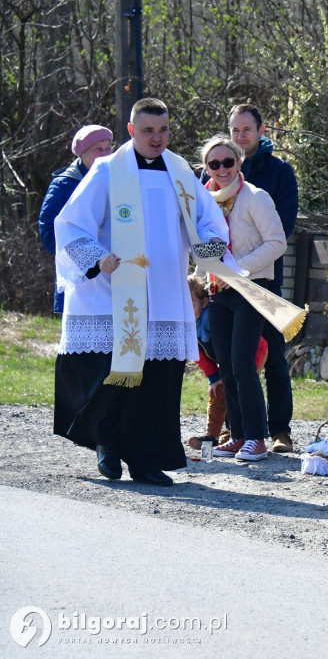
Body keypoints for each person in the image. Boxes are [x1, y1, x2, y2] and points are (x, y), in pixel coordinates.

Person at [52, 98, 229, 486]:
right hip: (114, 290)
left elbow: (209, 221)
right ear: (132, 131)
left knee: (157, 381)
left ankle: (147, 460)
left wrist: (210, 245)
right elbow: (71, 223)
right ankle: (108, 446)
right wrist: (97, 259)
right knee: (115, 376)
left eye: (163, 130)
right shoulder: (107, 170)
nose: (157, 138)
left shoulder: (181, 171)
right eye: (148, 130)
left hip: (164, 292)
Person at [200, 136, 287, 462]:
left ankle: (257, 438)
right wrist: (200, 278)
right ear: (206, 167)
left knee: (243, 362)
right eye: (214, 164)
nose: (221, 169)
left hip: (251, 288)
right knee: (226, 366)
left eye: (228, 162)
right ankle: (237, 435)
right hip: (217, 291)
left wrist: (238, 266)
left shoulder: (255, 197)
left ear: (239, 163)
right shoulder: (204, 201)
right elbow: (203, 246)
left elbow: (277, 242)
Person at [227, 104, 298, 453]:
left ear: (261, 130)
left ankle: (280, 429)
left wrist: (245, 264)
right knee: (233, 357)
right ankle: (236, 428)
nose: (241, 137)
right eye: (235, 131)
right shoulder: (220, 167)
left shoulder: (280, 171)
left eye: (246, 130)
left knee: (273, 355)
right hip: (225, 283)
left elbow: (282, 227)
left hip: (264, 278)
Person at [186, 275, 268, 449]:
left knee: (241, 386)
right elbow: (198, 355)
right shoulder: (188, 326)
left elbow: (250, 345)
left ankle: (248, 435)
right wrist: (214, 377)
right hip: (225, 360)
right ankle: (214, 434)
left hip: (255, 352)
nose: (186, 310)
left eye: (191, 305)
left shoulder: (210, 319)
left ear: (204, 302)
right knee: (218, 389)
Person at [39, 124, 114, 313]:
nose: (106, 154)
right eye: (99, 149)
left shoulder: (119, 180)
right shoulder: (64, 185)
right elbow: (49, 232)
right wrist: (92, 257)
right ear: (82, 154)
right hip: (81, 282)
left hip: (113, 277)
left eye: (109, 147)